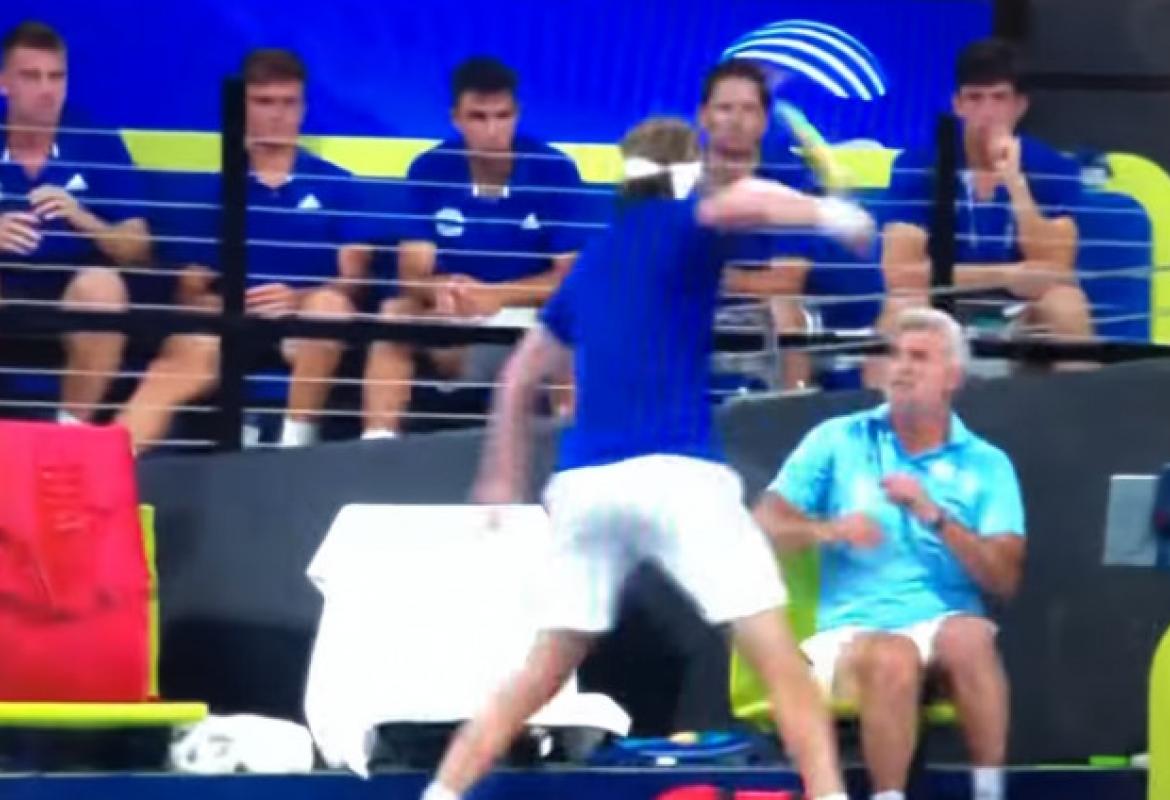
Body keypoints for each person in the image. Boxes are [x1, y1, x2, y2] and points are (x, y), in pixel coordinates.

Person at [417, 116, 876, 800]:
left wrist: (500, 476)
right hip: (677, 477)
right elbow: (741, 202)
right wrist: (831, 214)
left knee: (542, 669)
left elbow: (517, 378)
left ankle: (442, 793)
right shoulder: (686, 218)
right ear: (686, 173)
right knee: (779, 660)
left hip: (583, 488)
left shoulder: (593, 259)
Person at [754, 307, 1025, 800]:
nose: (901, 368)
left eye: (919, 358)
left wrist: (934, 515)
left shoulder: (987, 464)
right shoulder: (837, 439)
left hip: (943, 627)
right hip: (852, 631)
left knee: (970, 637)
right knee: (894, 654)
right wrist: (830, 529)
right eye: (895, 356)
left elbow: (1004, 579)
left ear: (952, 377)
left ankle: (990, 793)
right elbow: (765, 523)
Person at [117, 48, 368, 451]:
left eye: (288, 102)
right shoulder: (214, 191)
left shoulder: (340, 186)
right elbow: (191, 289)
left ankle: (294, 445)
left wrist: (295, 299)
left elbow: (353, 281)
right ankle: (101, 469)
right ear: (243, 108)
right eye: (264, 102)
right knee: (178, 360)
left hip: (303, 323)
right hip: (231, 323)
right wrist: (231, 304)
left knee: (330, 307)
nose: (278, 114)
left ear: (303, 109)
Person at [360, 56, 585, 438]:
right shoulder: (430, 169)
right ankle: (376, 445)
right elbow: (413, 274)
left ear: (517, 115)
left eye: (503, 116)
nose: (493, 130)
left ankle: (572, 449)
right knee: (395, 311)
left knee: (572, 318)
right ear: (456, 119)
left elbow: (569, 277)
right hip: (454, 320)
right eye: (478, 117)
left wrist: (496, 296)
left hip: (530, 322)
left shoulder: (554, 170)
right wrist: (447, 291)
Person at [872, 37, 1092, 383]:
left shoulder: (1053, 167)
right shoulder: (919, 165)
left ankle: (1079, 413)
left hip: (1024, 312)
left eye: (999, 98)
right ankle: (883, 415)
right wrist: (1007, 276)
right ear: (958, 105)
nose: (987, 113)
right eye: (975, 98)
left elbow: (1057, 267)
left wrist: (1015, 183)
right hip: (939, 303)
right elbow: (900, 273)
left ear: (1020, 106)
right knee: (900, 306)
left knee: (1067, 304)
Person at [0, 20, 151, 424]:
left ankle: (69, 434)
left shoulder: (96, 141)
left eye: (56, 77)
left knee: (102, 287)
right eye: (31, 77)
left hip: (72, 289)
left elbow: (137, 247)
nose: (47, 89)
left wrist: (81, 217)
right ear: (4, 83)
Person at [700, 59, 820, 390]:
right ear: (704, 116)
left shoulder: (791, 184)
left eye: (748, 109)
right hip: (685, 303)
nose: (735, 120)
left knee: (785, 306)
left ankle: (793, 405)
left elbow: (787, 279)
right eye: (725, 108)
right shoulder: (675, 179)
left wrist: (714, 276)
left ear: (765, 121)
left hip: (759, 312)